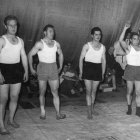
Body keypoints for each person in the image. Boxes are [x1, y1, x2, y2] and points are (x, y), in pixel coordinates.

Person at [28, 24, 66, 120]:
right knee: (42, 92)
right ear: (45, 32)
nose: (52, 33)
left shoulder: (56, 44)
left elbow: (61, 54)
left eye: (53, 31)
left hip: (53, 68)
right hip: (42, 68)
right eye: (50, 31)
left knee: (55, 92)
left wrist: (60, 66)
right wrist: (31, 68)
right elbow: (29, 55)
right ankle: (42, 112)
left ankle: (58, 114)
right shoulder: (39, 44)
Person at [0, 15, 28, 135]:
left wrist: (26, 70)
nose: (13, 27)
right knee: (3, 99)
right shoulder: (1, 40)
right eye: (10, 25)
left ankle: (11, 120)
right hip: (3, 70)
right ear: (5, 26)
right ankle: (1, 125)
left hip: (17, 70)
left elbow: (23, 56)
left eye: (15, 25)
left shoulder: (20, 40)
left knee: (14, 97)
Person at [79, 27, 106, 119]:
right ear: (92, 35)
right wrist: (81, 72)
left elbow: (104, 61)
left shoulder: (103, 47)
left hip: (97, 69)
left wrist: (102, 73)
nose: (98, 36)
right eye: (96, 34)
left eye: (99, 34)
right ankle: (89, 111)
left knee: (94, 91)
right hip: (88, 69)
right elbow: (81, 59)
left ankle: (92, 108)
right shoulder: (86, 46)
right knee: (88, 91)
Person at [119, 23, 140, 116]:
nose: (137, 40)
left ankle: (138, 110)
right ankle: (129, 108)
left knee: (138, 92)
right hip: (130, 70)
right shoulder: (128, 48)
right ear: (131, 40)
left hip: (138, 70)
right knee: (129, 91)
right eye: (134, 39)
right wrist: (125, 28)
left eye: (138, 38)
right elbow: (120, 41)